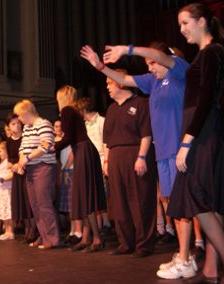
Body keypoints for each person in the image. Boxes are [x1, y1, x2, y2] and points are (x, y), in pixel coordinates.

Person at [81, 40, 203, 259]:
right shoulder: (152, 82)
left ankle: (195, 251)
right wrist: (100, 66)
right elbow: (124, 79)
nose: (150, 67)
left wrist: (127, 50)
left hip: (180, 150)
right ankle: (184, 255)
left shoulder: (178, 71)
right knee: (174, 205)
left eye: (152, 63)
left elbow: (161, 57)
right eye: (147, 64)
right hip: (163, 153)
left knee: (190, 205)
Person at [157, 3, 224, 282]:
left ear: (202, 22)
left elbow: (205, 100)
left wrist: (187, 142)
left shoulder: (213, 52)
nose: (181, 30)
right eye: (179, 25)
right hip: (202, 132)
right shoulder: (206, 53)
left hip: (205, 134)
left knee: (198, 199)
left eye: (185, 23)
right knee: (207, 202)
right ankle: (212, 269)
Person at [102, 70, 157, 258]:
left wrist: (141, 157)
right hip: (115, 157)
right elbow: (107, 139)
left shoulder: (141, 104)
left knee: (141, 200)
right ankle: (125, 243)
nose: (107, 87)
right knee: (119, 202)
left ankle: (144, 245)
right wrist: (106, 160)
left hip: (135, 154)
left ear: (121, 83)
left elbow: (146, 134)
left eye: (110, 83)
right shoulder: (110, 109)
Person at [49, 86, 106, 253]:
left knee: (85, 195)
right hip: (85, 150)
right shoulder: (74, 110)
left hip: (83, 151)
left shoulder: (67, 110)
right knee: (83, 195)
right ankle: (87, 238)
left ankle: (96, 239)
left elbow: (69, 138)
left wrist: (53, 148)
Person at [14, 100, 60, 249]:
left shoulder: (44, 124)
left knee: (44, 203)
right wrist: (22, 162)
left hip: (43, 167)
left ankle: (52, 239)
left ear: (27, 112)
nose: (19, 119)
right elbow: (22, 148)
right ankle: (44, 235)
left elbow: (46, 145)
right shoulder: (27, 127)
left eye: (20, 115)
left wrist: (27, 159)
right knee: (35, 205)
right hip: (31, 169)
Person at [76, 97, 112, 236]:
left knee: (102, 193)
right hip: (88, 162)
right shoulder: (84, 125)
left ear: (84, 109)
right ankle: (101, 224)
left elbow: (106, 142)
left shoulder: (102, 121)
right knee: (95, 194)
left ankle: (106, 223)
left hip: (101, 160)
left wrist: (106, 162)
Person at [5, 113, 36, 242]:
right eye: (13, 124)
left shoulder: (26, 138)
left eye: (18, 123)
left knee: (29, 201)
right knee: (21, 202)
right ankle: (26, 229)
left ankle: (33, 230)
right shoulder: (8, 141)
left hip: (26, 170)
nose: (17, 125)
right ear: (8, 127)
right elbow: (9, 159)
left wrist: (20, 165)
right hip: (17, 173)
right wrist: (11, 165)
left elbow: (28, 154)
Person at [53, 119, 82, 246]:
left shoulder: (69, 139)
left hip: (71, 170)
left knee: (74, 202)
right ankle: (72, 231)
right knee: (69, 205)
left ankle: (79, 231)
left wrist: (65, 168)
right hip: (65, 171)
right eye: (56, 126)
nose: (59, 128)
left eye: (61, 126)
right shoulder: (58, 140)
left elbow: (72, 154)